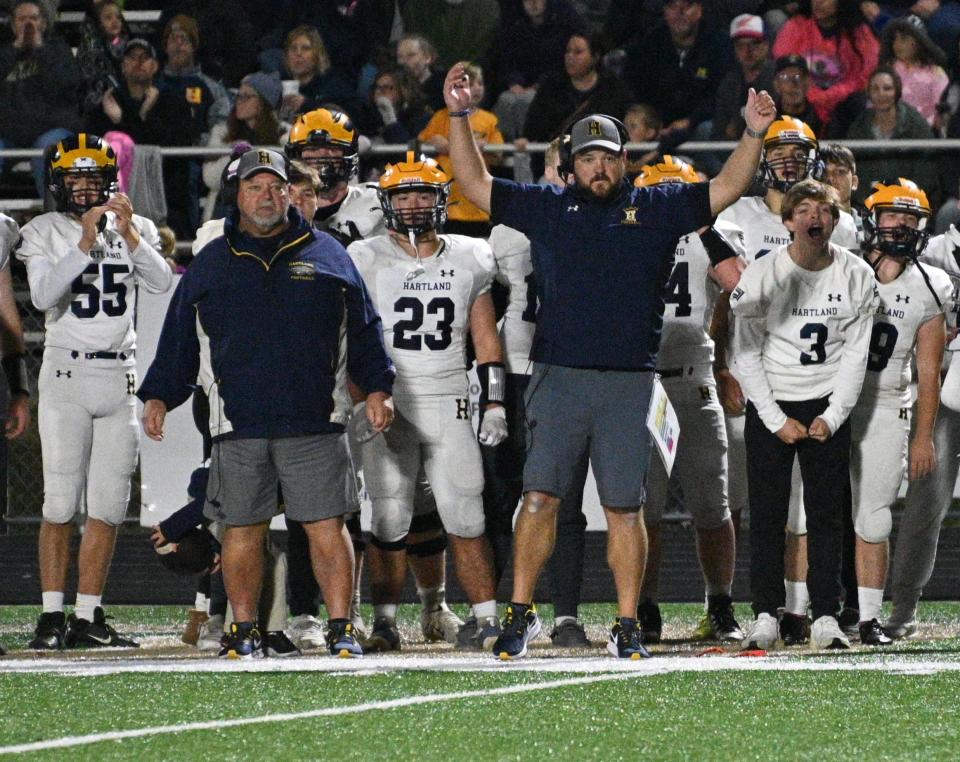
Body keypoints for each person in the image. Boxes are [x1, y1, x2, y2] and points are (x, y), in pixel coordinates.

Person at [443, 61, 775, 660]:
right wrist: (461, 117)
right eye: (588, 157)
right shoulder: (548, 206)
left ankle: (626, 621)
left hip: (629, 380)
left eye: (610, 156)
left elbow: (725, 187)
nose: (600, 167)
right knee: (539, 498)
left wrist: (752, 133)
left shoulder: (658, 206)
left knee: (625, 506)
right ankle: (521, 612)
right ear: (570, 165)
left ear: (626, 161)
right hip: (559, 376)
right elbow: (473, 184)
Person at [138, 148, 395, 659]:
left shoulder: (328, 253)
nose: (267, 196)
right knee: (242, 529)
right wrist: (160, 394)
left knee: (327, 526)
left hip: (315, 418)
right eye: (255, 187)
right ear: (238, 194)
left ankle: (340, 625)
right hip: (238, 419)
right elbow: (178, 338)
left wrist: (378, 387)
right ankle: (244, 628)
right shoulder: (211, 259)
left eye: (275, 187)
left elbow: (365, 329)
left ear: (290, 193)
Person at [19, 133, 173, 651]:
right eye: (75, 179)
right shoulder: (43, 230)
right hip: (65, 374)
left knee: (108, 504)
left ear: (110, 182)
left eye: (93, 179)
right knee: (60, 502)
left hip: (121, 376)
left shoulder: (136, 227)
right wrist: (85, 241)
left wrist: (128, 235)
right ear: (59, 184)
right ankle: (50, 615)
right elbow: (42, 295)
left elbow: (162, 283)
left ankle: (88, 615)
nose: (85, 190)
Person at [347, 152, 506, 652]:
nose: (414, 206)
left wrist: (496, 402)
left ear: (441, 201)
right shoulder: (363, 256)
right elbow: (351, 337)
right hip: (389, 395)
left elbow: (486, 337)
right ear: (387, 203)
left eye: (422, 196)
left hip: (449, 393)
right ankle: (385, 623)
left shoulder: (471, 254)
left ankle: (486, 618)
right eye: (403, 197)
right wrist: (359, 398)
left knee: (465, 510)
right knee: (390, 515)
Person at [715, 116, 861, 646]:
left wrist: (834, 408)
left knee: (822, 508)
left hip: (823, 381)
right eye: (775, 151)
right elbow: (733, 311)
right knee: (769, 507)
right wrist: (729, 369)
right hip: (765, 378)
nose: (786, 161)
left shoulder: (844, 244)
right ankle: (769, 611)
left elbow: (854, 328)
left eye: (797, 151)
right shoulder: (739, 215)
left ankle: (819, 609)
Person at [632, 156, 746, 645]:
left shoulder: (716, 232)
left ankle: (719, 602)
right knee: (645, 506)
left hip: (694, 375)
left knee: (712, 504)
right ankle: (645, 606)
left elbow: (735, 281)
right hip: (642, 379)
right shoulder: (627, 232)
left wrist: (703, 226)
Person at [850, 178, 951, 645]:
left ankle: (875, 613)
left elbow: (928, 370)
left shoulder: (932, 283)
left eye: (911, 219)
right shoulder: (843, 267)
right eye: (894, 216)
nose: (903, 227)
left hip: (890, 400)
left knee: (876, 515)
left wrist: (922, 435)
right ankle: (807, 609)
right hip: (831, 399)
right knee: (808, 514)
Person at [624, 0, 733, 149]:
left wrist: (691, 121)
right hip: (658, 126)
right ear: (664, 12)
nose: (679, 13)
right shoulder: (648, 45)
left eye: (687, 6)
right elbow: (639, 90)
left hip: (700, 123)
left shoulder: (719, 45)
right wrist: (655, 123)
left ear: (699, 10)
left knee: (707, 129)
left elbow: (721, 95)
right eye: (672, 6)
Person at [0, 1, 83, 197]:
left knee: (50, 151)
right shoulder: (3, 52)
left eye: (33, 18)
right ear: (13, 25)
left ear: (44, 23)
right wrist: (15, 49)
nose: (28, 24)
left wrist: (39, 48)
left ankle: (53, 218)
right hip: (9, 132)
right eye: (22, 19)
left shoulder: (58, 49)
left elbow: (67, 84)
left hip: (49, 129)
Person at [419, 62, 504, 237]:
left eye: (479, 83)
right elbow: (421, 144)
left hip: (479, 203)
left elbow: (498, 154)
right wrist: (433, 141)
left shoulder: (489, 120)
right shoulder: (441, 117)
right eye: (469, 84)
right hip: (449, 203)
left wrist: (484, 148)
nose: (476, 89)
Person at [772, 0, 880, 134]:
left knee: (857, 101)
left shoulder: (859, 32)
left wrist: (834, 94)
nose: (818, 2)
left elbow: (865, 75)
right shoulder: (795, 26)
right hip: (804, 97)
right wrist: (813, 95)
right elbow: (785, 66)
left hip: (844, 102)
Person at [845, 66, 938, 206]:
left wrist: (904, 197)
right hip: (868, 204)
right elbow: (852, 171)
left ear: (897, 91)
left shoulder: (916, 125)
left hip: (911, 203)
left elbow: (926, 172)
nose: (881, 94)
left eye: (887, 88)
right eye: (875, 89)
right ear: (868, 93)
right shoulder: (858, 127)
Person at [713, 14, 776, 141]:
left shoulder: (777, 78)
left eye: (755, 43)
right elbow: (719, 132)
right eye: (740, 45)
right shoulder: (729, 83)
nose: (748, 50)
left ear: (767, 45)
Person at [277, 25, 359, 122]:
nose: (298, 53)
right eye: (293, 48)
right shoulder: (280, 86)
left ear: (317, 55)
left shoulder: (334, 86)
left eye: (306, 48)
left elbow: (350, 118)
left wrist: (307, 105)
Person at [880, 14, 949, 128]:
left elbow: (940, 111)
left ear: (919, 42)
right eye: (894, 39)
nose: (897, 44)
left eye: (904, 38)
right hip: (888, 132)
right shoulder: (886, 70)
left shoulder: (936, 73)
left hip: (924, 134)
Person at [771, 55, 823, 137]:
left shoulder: (822, 121)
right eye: (785, 77)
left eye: (798, 77)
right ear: (776, 85)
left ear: (807, 83)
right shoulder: (766, 120)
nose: (793, 84)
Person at [396, 33, 446, 112]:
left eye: (411, 55)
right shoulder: (394, 86)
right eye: (400, 56)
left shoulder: (443, 91)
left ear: (427, 57)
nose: (403, 61)